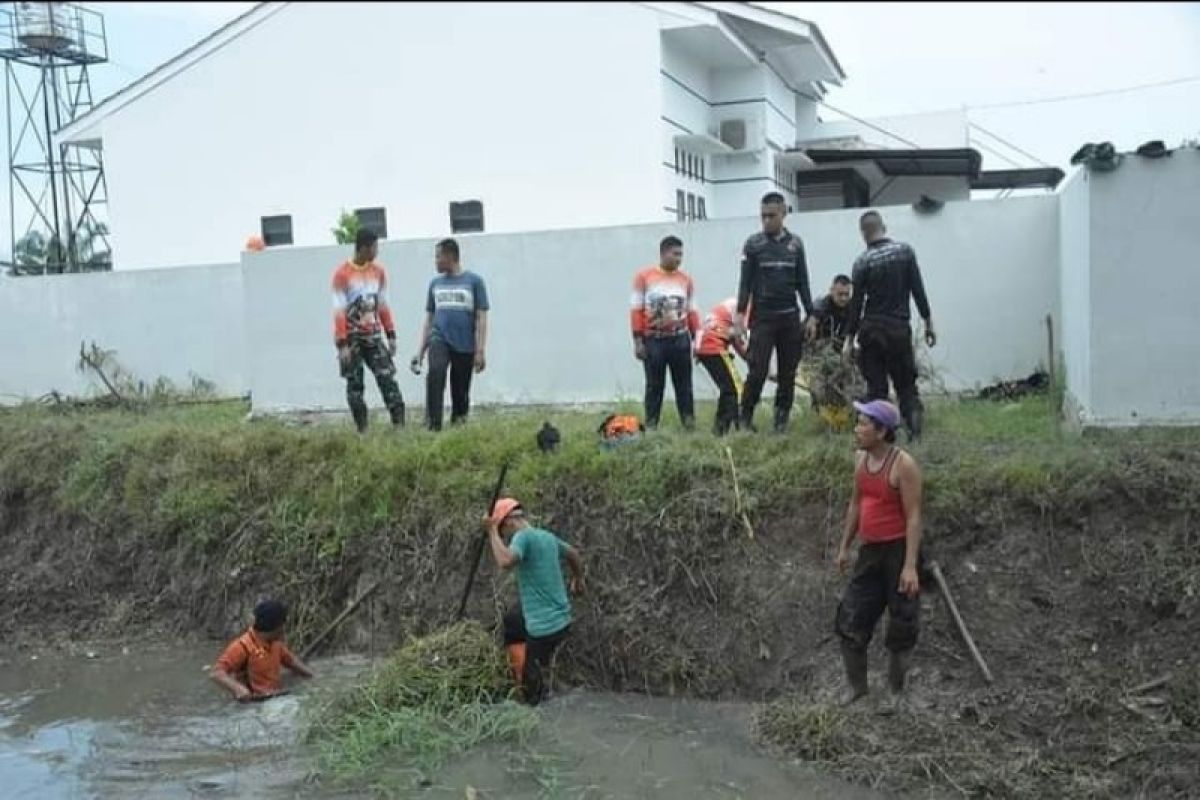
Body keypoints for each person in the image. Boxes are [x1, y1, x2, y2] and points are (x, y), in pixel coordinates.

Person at [833, 400, 924, 713]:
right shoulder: (860, 460)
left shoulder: (904, 466)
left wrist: (910, 566)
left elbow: (913, 517)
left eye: (863, 424)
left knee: (901, 624)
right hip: (870, 552)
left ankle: (895, 692)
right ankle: (857, 687)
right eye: (858, 423)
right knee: (850, 617)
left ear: (882, 431)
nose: (857, 430)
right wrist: (845, 546)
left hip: (898, 552)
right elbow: (856, 505)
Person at [843, 211, 936, 441]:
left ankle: (885, 439)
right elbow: (918, 289)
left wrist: (848, 339)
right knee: (906, 387)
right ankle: (915, 434)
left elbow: (856, 305)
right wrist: (928, 322)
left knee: (877, 389)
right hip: (898, 330)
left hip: (872, 331)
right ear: (883, 227)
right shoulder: (905, 252)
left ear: (863, 233)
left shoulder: (862, 262)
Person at [484, 497, 585, 706]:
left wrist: (491, 531)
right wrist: (578, 579)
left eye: (504, 533)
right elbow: (574, 554)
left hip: (544, 630)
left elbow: (505, 561)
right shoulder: (546, 536)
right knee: (512, 621)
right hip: (562, 619)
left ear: (509, 522)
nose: (506, 538)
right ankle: (526, 664)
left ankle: (532, 687)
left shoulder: (522, 537)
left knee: (532, 698)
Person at [734, 192, 814, 434]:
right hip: (762, 319)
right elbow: (745, 283)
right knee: (757, 371)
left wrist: (811, 314)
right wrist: (739, 317)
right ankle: (745, 420)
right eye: (763, 216)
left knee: (788, 374)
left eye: (771, 215)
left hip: (790, 318)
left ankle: (781, 424)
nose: (766, 220)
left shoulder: (796, 244)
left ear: (784, 214)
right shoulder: (753, 244)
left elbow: (803, 282)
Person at [411, 238, 490, 431]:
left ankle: (458, 425)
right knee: (436, 373)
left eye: (438, 256)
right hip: (439, 338)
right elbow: (429, 319)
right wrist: (420, 351)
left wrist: (480, 350)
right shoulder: (435, 284)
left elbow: (481, 318)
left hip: (465, 345)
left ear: (450, 256)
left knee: (460, 390)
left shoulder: (474, 282)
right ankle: (433, 425)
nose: (436, 261)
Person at [332, 228, 405, 433]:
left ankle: (399, 425)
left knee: (387, 377)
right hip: (351, 337)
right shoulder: (342, 275)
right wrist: (342, 344)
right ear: (364, 248)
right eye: (374, 247)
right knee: (355, 386)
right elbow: (338, 311)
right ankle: (362, 429)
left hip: (373, 335)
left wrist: (391, 334)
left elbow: (383, 305)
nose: (376, 251)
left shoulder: (378, 272)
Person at [629, 236, 700, 430]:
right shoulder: (644, 277)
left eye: (681, 255)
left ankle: (689, 424)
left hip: (680, 339)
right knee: (654, 386)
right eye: (675, 254)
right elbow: (636, 309)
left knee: (684, 386)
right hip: (654, 340)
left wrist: (697, 340)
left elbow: (692, 310)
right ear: (663, 253)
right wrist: (638, 341)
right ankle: (651, 426)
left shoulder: (686, 280)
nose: (678, 259)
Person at [210, 599, 314, 702]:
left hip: (276, 697)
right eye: (283, 624)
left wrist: (312, 676)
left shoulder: (276, 643)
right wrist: (239, 689)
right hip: (254, 704)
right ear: (277, 626)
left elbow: (291, 661)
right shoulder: (242, 646)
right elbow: (217, 672)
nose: (284, 628)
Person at [695, 296, 750, 436]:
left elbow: (735, 339)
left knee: (729, 388)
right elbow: (742, 336)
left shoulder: (733, 304)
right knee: (733, 390)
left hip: (705, 345)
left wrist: (750, 360)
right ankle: (735, 428)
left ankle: (722, 429)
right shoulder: (746, 307)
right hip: (714, 345)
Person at [807, 274, 853, 346]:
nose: (843, 298)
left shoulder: (851, 308)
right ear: (832, 291)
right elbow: (816, 310)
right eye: (840, 294)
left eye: (847, 294)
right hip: (814, 345)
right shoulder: (821, 305)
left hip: (835, 344)